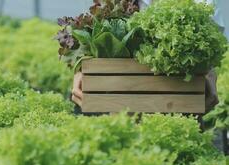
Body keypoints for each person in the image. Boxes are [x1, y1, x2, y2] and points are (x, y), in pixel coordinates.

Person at [72, 0, 225, 112]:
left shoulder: (203, 3)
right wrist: (82, 66)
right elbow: (93, 24)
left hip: (181, 100)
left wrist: (209, 72)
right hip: (123, 100)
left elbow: (210, 40)